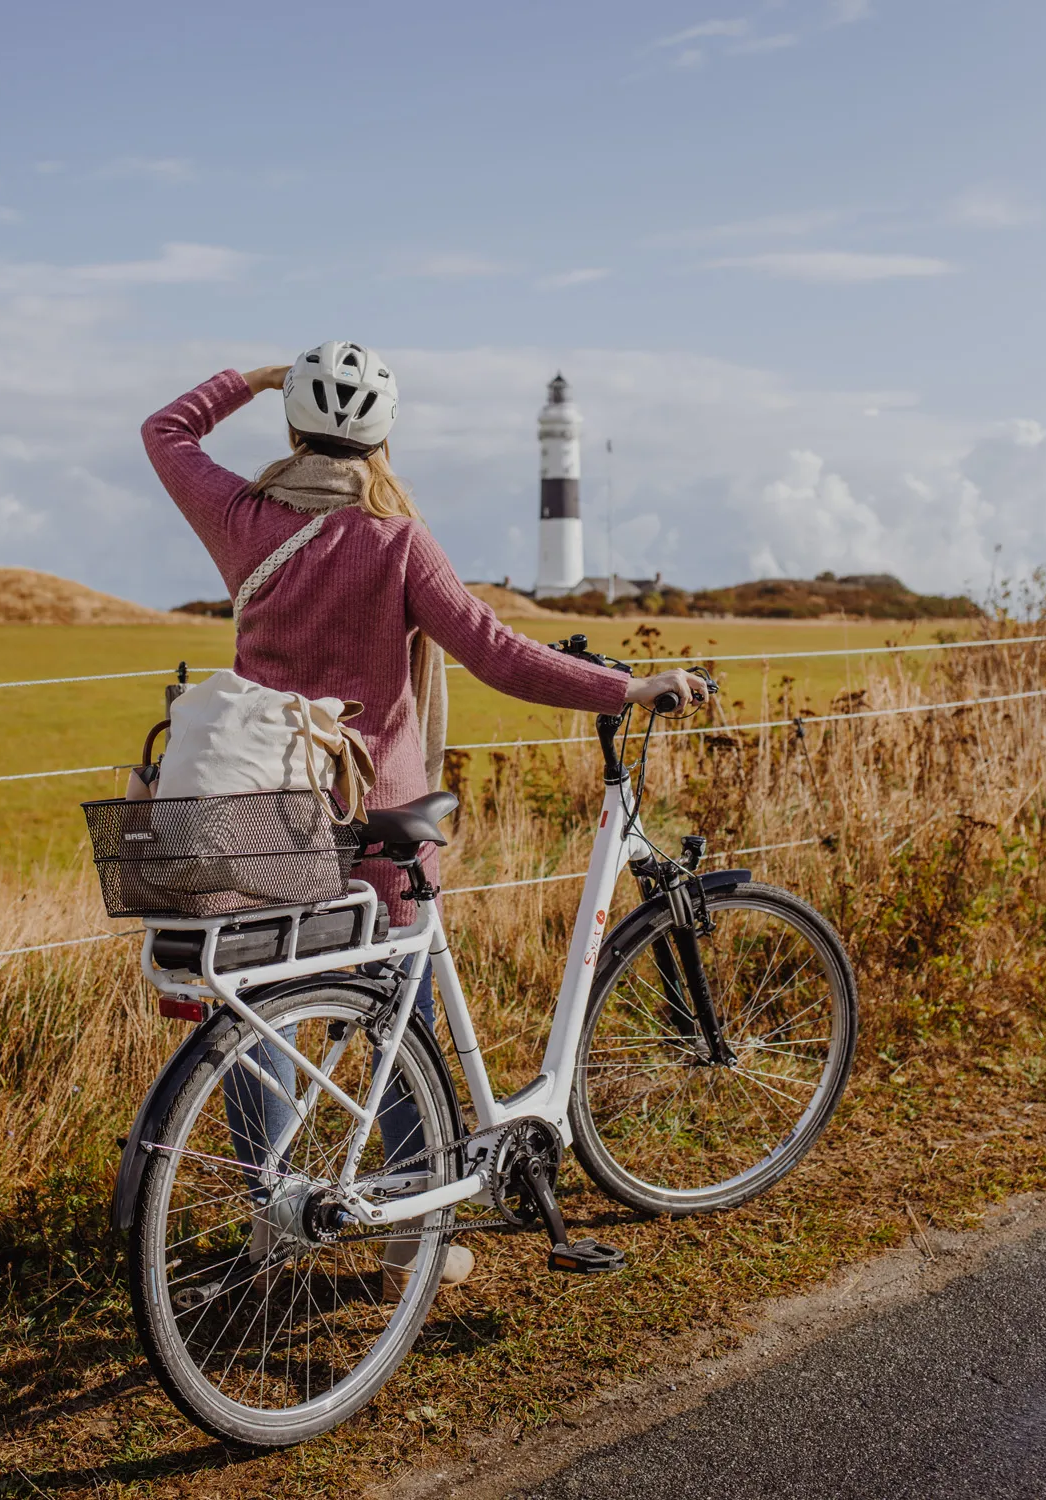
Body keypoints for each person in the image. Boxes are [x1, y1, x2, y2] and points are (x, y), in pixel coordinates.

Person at [141, 341, 705, 1296]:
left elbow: (166, 429)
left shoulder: (243, 518)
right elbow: (494, 652)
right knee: (396, 1022)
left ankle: (272, 1220)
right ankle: (416, 1233)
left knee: (258, 1014)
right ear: (385, 438)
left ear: (292, 429)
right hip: (374, 823)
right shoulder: (395, 541)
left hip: (257, 817)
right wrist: (624, 685)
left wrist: (257, 375)